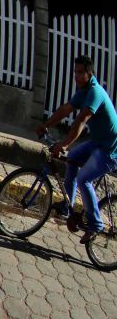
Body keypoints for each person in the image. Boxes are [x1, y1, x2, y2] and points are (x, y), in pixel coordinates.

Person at [37, 55, 117, 244]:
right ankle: (67, 206)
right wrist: (45, 124)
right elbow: (66, 109)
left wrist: (64, 144)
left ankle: (96, 224)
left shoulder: (95, 92)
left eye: (81, 72)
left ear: (90, 74)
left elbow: (81, 119)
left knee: (83, 179)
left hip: (110, 149)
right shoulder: (83, 91)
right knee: (72, 158)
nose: (76, 76)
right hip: (97, 142)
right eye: (75, 72)